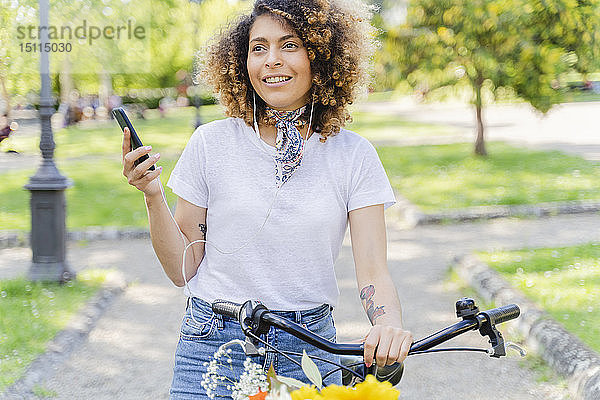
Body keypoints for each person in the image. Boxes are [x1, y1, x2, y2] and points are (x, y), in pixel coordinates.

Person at [121, 0, 413, 398]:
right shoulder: (211, 143)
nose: (271, 60)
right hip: (213, 341)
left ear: (321, 55)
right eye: (258, 48)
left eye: (289, 45)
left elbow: (374, 271)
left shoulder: (353, 155)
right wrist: (152, 196)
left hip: (309, 344)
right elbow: (183, 271)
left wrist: (388, 324)